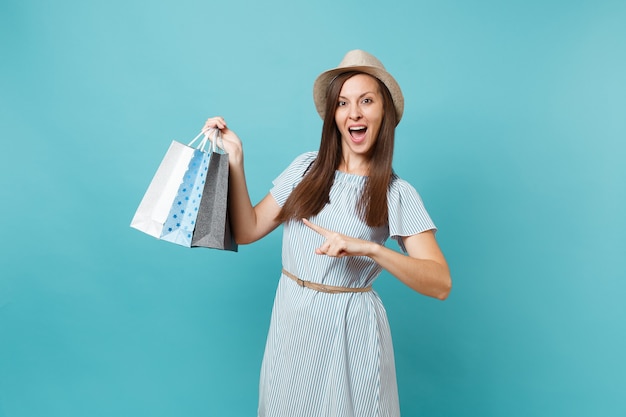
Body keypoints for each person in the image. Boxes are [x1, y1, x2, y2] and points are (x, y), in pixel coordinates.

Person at [202, 49, 451, 417]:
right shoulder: (306, 168)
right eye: (343, 103)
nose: (354, 113)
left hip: (350, 330)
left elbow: (440, 283)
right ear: (333, 115)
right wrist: (236, 160)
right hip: (292, 320)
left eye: (366, 101)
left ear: (384, 112)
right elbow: (246, 229)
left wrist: (369, 249)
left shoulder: (396, 193)